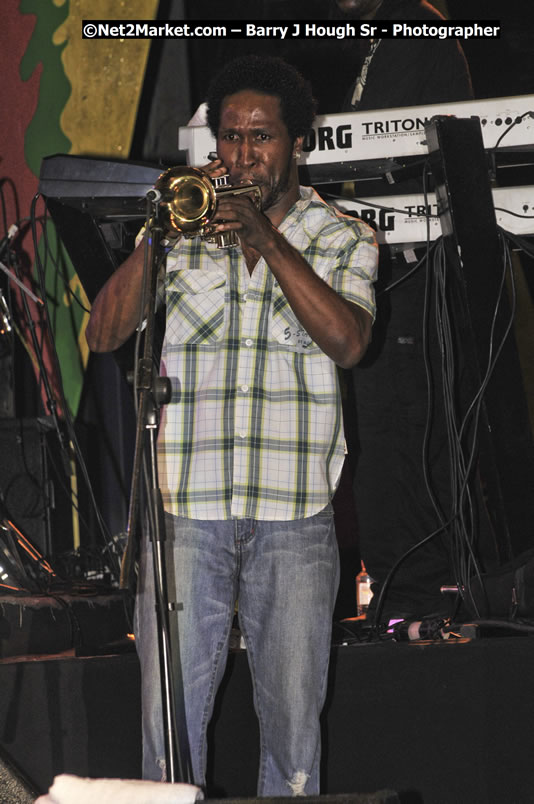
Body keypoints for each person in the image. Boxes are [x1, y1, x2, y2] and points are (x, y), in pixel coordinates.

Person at [86, 55, 377, 796]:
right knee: (170, 737)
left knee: (293, 741)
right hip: (186, 519)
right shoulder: (180, 231)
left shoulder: (342, 235)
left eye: (263, 137)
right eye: (232, 137)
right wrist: (154, 235)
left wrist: (267, 241)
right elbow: (103, 333)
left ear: (297, 144)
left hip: (295, 522)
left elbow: (349, 341)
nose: (245, 154)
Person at [330, 0, 475, 622]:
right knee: (386, 436)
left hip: (410, 270)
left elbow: (374, 143)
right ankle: (403, 597)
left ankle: (415, 602)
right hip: (399, 267)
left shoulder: (411, 25)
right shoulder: (386, 35)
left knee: (396, 434)